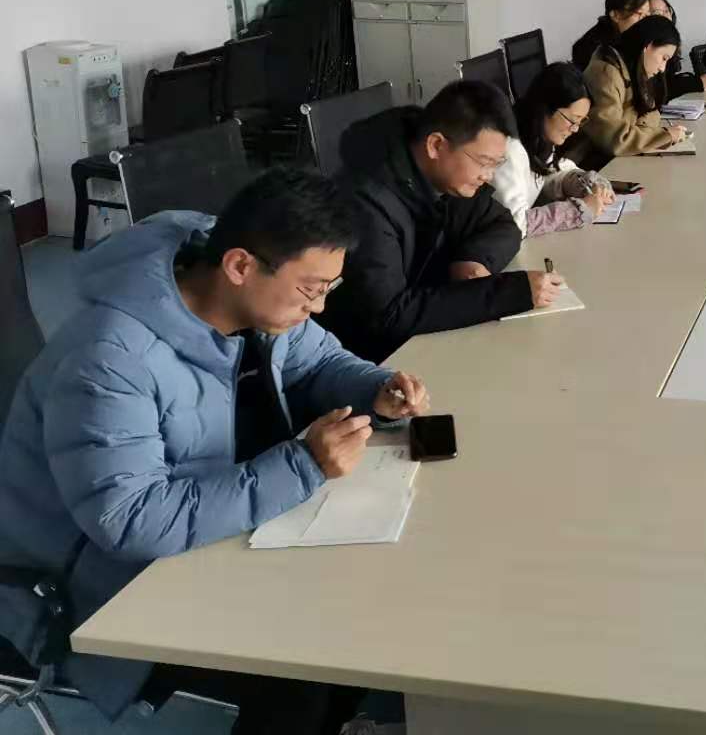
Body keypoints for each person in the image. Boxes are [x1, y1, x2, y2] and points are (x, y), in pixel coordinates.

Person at [0, 168, 430, 732]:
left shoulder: (259, 302)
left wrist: (375, 388)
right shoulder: (109, 360)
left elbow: (320, 360)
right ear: (240, 266)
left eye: (330, 288)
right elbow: (131, 521)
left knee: (364, 606)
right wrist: (303, 465)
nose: (320, 307)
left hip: (217, 532)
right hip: (91, 592)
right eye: (312, 290)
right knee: (308, 662)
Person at [317, 79, 565, 363]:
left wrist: (474, 259)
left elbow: (502, 223)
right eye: (483, 162)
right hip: (370, 357)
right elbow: (388, 315)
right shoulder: (366, 200)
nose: (488, 176)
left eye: (496, 164)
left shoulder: (447, 176)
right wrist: (509, 293)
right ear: (436, 145)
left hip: (427, 333)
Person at [490, 61, 616, 237]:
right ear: (545, 108)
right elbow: (515, 224)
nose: (575, 129)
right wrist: (577, 210)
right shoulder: (510, 150)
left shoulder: (538, 139)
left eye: (581, 121)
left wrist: (584, 183)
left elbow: (547, 175)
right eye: (572, 120)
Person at [571, 14, 688, 162]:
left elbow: (652, 114)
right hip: (594, 161)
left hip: (617, 158)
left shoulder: (635, 69)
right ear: (648, 46)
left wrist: (646, 134)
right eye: (664, 58)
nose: (662, 68)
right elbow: (614, 139)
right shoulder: (605, 73)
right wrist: (665, 136)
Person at [643, 0, 706, 101]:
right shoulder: (644, 47)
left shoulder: (670, 43)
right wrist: (696, 83)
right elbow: (653, 90)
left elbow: (667, 81)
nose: (665, 16)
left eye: (666, 11)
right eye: (656, 13)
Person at [570, 0, 650, 70]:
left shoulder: (637, 39)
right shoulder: (594, 49)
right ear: (615, 15)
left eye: (647, 15)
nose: (645, 20)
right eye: (639, 13)